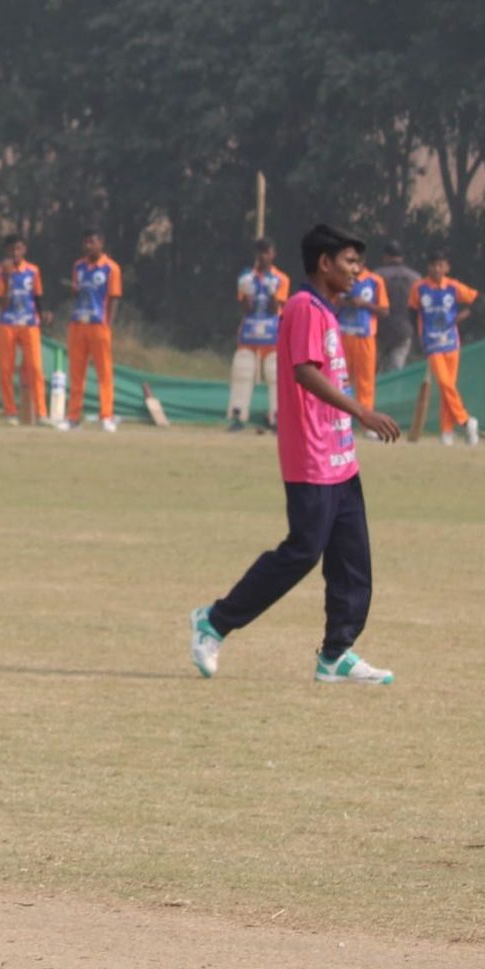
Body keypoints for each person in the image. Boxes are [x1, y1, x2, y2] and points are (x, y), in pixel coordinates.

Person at [191, 225, 402, 687]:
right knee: (303, 552)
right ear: (324, 263)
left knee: (352, 558)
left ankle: (336, 654)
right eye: (349, 261)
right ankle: (215, 621)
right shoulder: (304, 307)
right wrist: (362, 412)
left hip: (340, 457)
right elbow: (304, 371)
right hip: (311, 456)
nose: (357, 271)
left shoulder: (327, 311)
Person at [410, 251, 481, 445]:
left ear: (447, 267)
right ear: (428, 267)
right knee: (444, 382)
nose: (436, 269)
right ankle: (465, 420)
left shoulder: (453, 286)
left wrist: (463, 316)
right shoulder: (419, 287)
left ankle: (447, 431)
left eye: (440, 265)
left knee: (448, 387)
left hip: (451, 342)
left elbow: (477, 300)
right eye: (433, 265)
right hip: (432, 343)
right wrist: (418, 337)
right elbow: (412, 312)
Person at [228, 238, 290, 431]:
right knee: (242, 372)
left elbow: (274, 308)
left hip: (272, 334)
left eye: (266, 252)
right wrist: (246, 292)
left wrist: (271, 291)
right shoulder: (246, 276)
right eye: (260, 252)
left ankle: (277, 418)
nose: (263, 256)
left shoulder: (281, 279)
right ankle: (238, 417)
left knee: (275, 375)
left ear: (273, 254)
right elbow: (245, 308)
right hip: (249, 333)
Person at [66, 231, 123, 428]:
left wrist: (108, 324)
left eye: (92, 242)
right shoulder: (78, 266)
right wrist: (74, 291)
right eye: (85, 242)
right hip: (78, 323)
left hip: (99, 324)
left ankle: (106, 416)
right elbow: (77, 291)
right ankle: (73, 417)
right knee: (76, 373)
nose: (88, 246)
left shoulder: (111, 268)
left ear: (101, 243)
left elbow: (114, 297)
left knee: (104, 373)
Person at [0, 235, 43, 424]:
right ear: (6, 251)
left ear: (24, 250)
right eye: (11, 249)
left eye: (18, 249)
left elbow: (37, 297)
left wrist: (42, 316)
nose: (15, 253)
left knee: (35, 367)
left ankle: (41, 412)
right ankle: (10, 411)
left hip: (29, 323)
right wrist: (8, 278)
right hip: (8, 323)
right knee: (6, 368)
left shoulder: (33, 271)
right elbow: (2, 303)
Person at [336, 256, 390, 411]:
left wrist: (364, 304)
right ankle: (341, 414)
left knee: (365, 379)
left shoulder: (375, 281)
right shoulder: (340, 278)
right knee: (341, 377)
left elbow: (384, 310)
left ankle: (366, 415)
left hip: (365, 337)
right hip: (343, 336)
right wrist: (347, 302)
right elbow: (331, 301)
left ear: (362, 263)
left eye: (356, 262)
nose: (353, 266)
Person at [374, 241, 423, 370]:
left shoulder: (376, 276)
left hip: (380, 330)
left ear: (386, 256)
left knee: (372, 370)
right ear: (402, 256)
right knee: (396, 369)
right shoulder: (416, 278)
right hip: (404, 330)